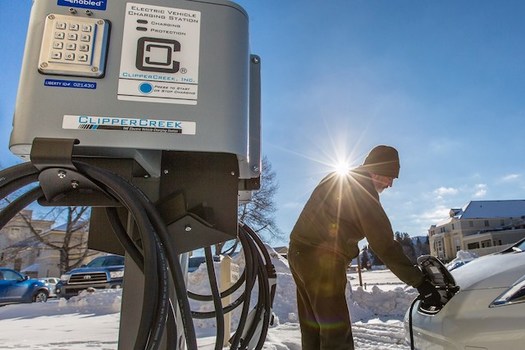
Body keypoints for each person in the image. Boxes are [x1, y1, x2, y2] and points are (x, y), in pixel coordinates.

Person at [288, 145, 441, 350]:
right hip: (321, 261)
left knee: (314, 326)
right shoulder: (362, 190)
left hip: (299, 254)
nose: (390, 184)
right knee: (335, 332)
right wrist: (419, 282)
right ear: (377, 171)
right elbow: (384, 244)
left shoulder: (339, 178)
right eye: (390, 178)